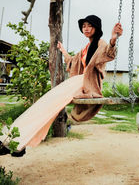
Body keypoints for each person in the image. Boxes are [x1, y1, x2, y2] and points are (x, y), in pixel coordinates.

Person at [0, 15, 122, 156]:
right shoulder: (86, 47)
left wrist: (113, 38)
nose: (86, 29)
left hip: (87, 84)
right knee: (45, 105)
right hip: (77, 82)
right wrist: (63, 51)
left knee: (49, 106)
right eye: (84, 26)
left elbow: (109, 53)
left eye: (90, 25)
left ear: (96, 27)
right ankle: (13, 140)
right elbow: (72, 61)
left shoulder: (101, 44)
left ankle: (18, 142)